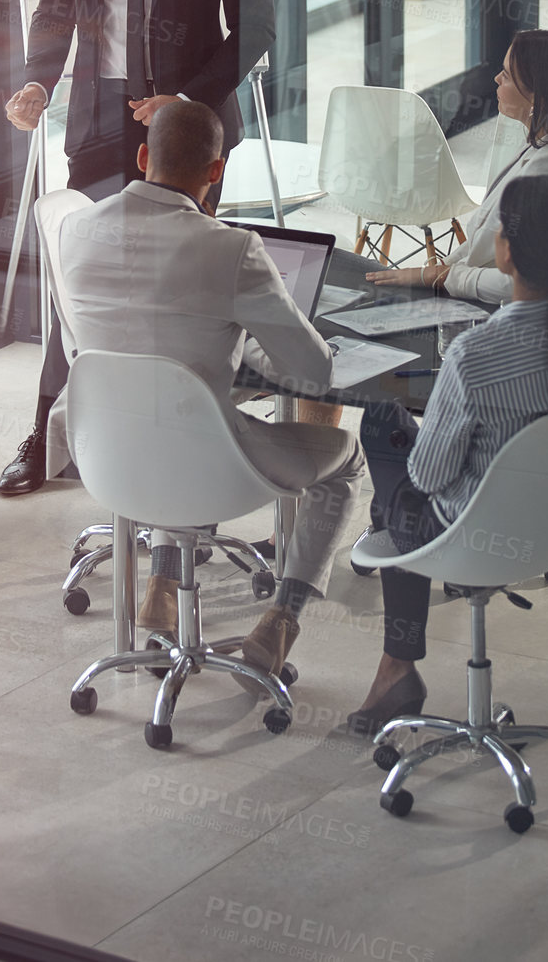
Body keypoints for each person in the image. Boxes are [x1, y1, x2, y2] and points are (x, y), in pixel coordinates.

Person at [0, 0, 275, 496]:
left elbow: (257, 26)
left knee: (178, 289)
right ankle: (47, 436)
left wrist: (186, 100)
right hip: (97, 119)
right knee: (78, 285)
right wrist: (37, 79)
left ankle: (184, 436)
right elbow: (57, 3)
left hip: (186, 131)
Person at [58, 99, 366, 684]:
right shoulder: (233, 249)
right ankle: (281, 620)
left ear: (143, 155)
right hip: (202, 461)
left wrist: (223, 343)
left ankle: (162, 582)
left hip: (106, 452)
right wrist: (248, 334)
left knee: (179, 411)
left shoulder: (77, 229)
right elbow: (313, 374)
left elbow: (136, 343)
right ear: (216, 171)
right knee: (344, 458)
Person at [345, 174, 548, 735]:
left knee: (385, 431)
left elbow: (428, 475)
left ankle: (397, 667)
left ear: (506, 251)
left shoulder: (474, 354)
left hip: (468, 533)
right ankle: (394, 661)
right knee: (399, 479)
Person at [366, 28, 548, 306]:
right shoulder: (538, 146)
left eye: (506, 75)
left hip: (496, 312)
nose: (497, 78)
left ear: (538, 97)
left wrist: (443, 278)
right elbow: (483, 245)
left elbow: (527, 284)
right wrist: (436, 272)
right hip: (475, 296)